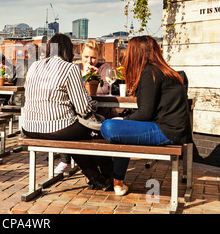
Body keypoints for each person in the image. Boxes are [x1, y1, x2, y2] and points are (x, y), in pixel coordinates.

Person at [100, 35, 192, 196]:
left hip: (166, 130)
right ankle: (118, 182)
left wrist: (123, 120)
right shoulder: (162, 71)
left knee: (109, 126)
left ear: (137, 53)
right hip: (172, 128)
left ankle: (115, 179)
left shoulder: (150, 72)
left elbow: (145, 112)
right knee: (123, 131)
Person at [22, 33, 113, 191]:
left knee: (77, 136)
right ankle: (111, 176)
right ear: (68, 51)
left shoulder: (34, 66)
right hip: (56, 128)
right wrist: (93, 103)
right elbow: (84, 108)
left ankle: (98, 180)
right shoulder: (70, 68)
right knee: (94, 131)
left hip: (29, 127)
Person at [55, 40, 113, 174]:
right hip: (79, 111)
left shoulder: (104, 68)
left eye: (93, 57)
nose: (90, 61)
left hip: (99, 111)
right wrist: (83, 77)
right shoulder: (74, 68)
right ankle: (66, 160)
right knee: (64, 122)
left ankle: (95, 167)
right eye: (86, 57)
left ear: (98, 56)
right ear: (81, 55)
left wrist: (91, 78)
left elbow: (105, 90)